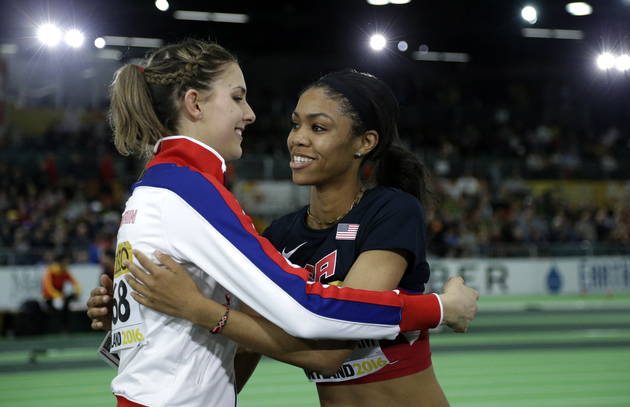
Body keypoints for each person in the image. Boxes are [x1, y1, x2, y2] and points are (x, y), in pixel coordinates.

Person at [88, 64, 479, 406]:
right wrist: (141, 314)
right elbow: (240, 350)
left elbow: (331, 351)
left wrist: (199, 310)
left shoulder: (392, 210)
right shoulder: (279, 235)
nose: (298, 139)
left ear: (365, 142)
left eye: (318, 127)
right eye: (296, 124)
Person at [42, 253, 81, 332]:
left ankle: (64, 326)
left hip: (60, 298)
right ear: (61, 262)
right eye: (66, 261)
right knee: (60, 306)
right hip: (49, 298)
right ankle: (59, 327)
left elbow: (75, 283)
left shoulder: (64, 271)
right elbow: (48, 288)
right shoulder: (50, 271)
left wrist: (77, 292)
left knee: (66, 302)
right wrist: (58, 296)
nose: (67, 263)